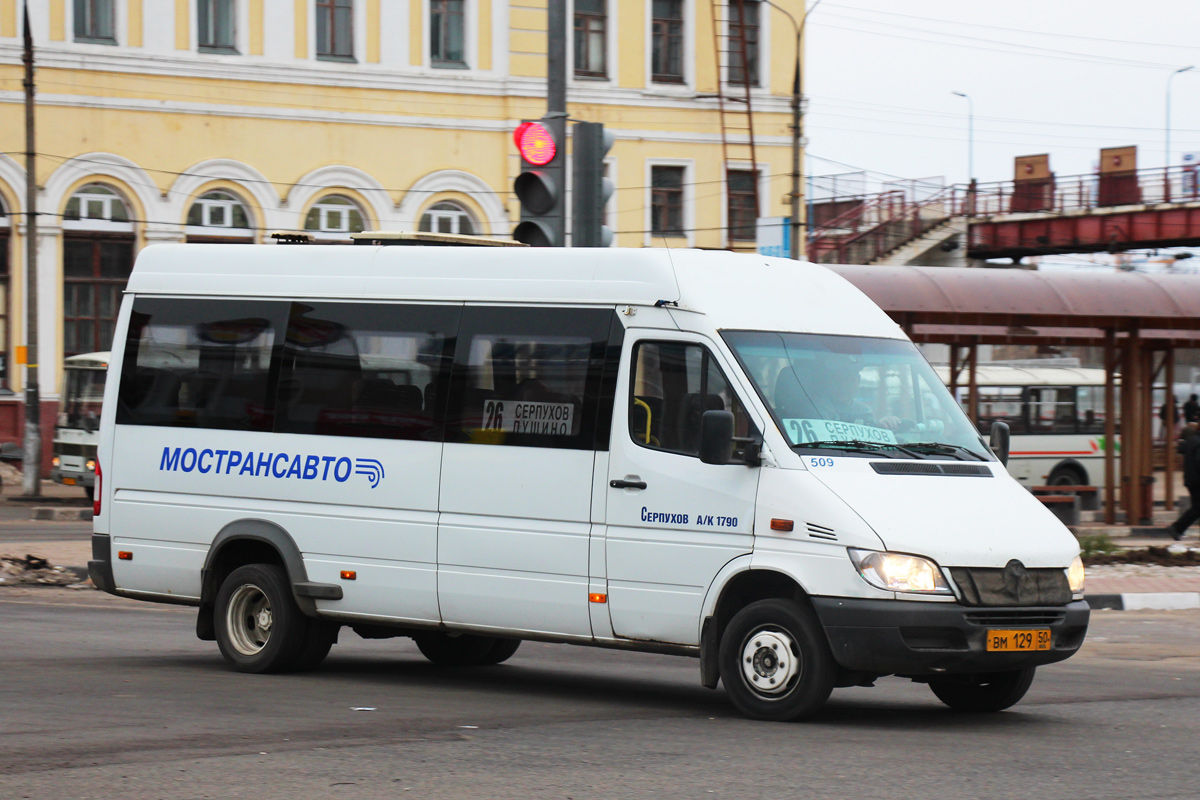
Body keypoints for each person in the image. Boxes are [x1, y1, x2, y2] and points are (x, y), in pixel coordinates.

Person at [1167, 423, 1200, 541]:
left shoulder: (1193, 440)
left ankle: (1177, 528)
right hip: (1197, 480)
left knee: (1197, 507)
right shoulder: (1198, 441)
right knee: (1197, 508)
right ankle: (1177, 528)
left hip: (1192, 479)